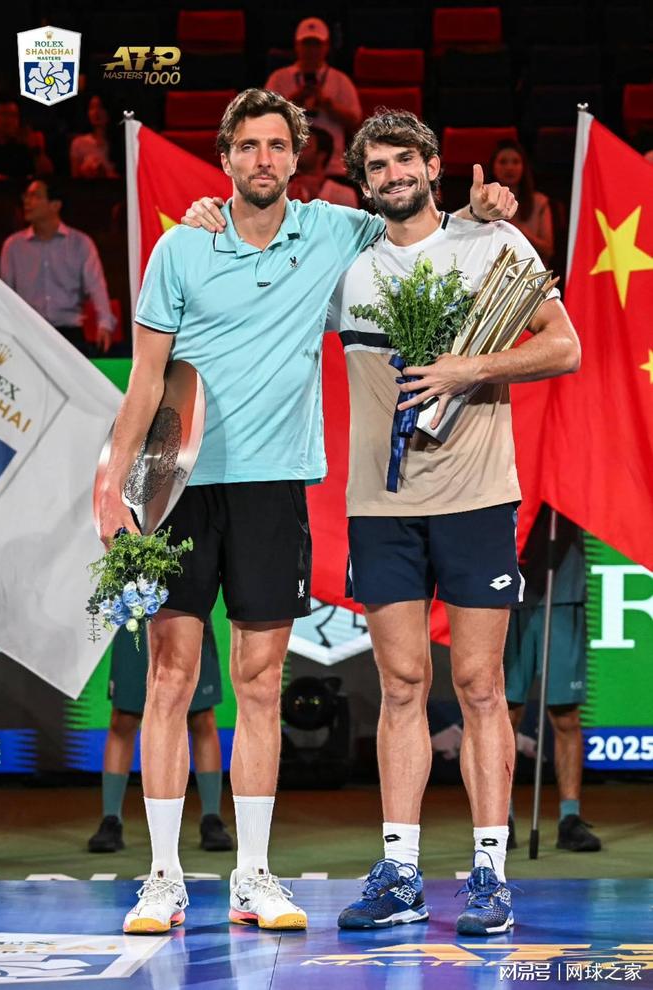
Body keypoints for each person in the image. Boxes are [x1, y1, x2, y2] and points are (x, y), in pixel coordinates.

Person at [111, 87, 514, 937]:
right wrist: (116, 484)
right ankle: (163, 879)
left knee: (260, 683)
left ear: (298, 159)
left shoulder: (337, 232)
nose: (262, 159)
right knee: (169, 679)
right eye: (247, 146)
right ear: (226, 159)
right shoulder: (182, 245)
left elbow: (417, 223)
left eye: (276, 146)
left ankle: (253, 876)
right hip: (177, 487)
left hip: (275, 488)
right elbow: (146, 379)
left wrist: (478, 214)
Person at [325, 111, 580, 935]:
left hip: (476, 500)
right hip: (381, 509)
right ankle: (400, 875)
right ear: (364, 181)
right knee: (402, 685)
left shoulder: (493, 244)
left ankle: (489, 878)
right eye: (377, 165)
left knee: (478, 686)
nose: (393, 174)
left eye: (406, 159)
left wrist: (473, 368)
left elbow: (564, 346)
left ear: (434, 165)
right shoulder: (346, 263)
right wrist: (208, 218)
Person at [88, 618, 233, 855]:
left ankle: (211, 818)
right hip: (137, 615)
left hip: (189, 611)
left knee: (201, 716)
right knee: (123, 718)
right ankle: (111, 819)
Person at [504, 507, 601, 853]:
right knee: (505, 713)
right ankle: (500, 818)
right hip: (507, 584)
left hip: (563, 588)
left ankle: (569, 819)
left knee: (565, 714)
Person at [0, 178, 115, 356]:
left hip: (69, 333)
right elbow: (5, 296)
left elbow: (96, 286)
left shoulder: (80, 243)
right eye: (26, 196)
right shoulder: (13, 246)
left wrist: (104, 323)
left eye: (35, 196)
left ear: (55, 205)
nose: (27, 202)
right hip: (27, 332)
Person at [266, 17, 362, 177]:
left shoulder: (340, 80)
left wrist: (329, 106)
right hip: (287, 167)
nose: (311, 50)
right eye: (306, 44)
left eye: (316, 44)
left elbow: (356, 122)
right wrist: (292, 102)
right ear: (296, 45)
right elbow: (265, 121)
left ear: (327, 47)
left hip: (332, 166)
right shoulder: (279, 78)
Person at [489, 139, 554, 265]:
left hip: (530, 271)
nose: (509, 168)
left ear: (524, 167)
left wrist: (517, 229)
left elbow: (548, 250)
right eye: (503, 162)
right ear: (493, 167)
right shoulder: (483, 202)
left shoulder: (540, 202)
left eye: (515, 162)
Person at [288, 125, 359, 207]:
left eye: (306, 147)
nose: (299, 151)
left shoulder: (345, 194)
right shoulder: (284, 189)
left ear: (321, 155)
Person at [0, 94, 51, 180]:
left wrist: (37, 151)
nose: (9, 120)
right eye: (4, 114)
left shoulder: (24, 144)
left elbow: (47, 174)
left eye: (14, 115)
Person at [70, 95, 121, 178]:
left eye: (100, 107)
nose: (96, 112)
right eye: (92, 108)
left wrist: (104, 173)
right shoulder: (79, 143)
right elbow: (74, 178)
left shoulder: (118, 144)